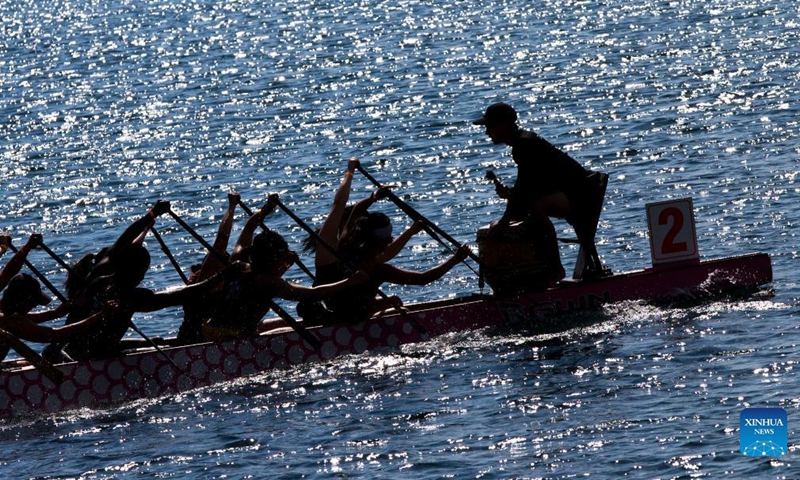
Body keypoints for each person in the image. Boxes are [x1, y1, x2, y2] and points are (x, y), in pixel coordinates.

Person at [198, 195, 371, 340]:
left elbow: (250, 227)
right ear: (272, 260)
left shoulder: (239, 264)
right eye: (281, 259)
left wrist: (266, 208)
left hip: (210, 329)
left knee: (281, 325)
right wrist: (350, 281)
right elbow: (312, 294)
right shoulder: (268, 282)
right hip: (232, 338)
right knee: (284, 330)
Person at [473, 102, 609, 279]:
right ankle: (539, 270)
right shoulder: (522, 144)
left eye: (489, 126)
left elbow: (525, 189)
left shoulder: (524, 144)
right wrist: (511, 196)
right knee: (528, 206)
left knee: (534, 207)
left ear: (503, 124)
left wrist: (503, 222)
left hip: (581, 196)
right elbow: (530, 186)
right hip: (575, 194)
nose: (486, 132)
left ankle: (553, 269)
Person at [53, 201, 173, 361]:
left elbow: (131, 245)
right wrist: (151, 214)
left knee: (155, 341)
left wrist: (146, 229)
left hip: (93, 345)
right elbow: (126, 238)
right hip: (76, 353)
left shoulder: (104, 275)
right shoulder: (97, 281)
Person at [304, 211, 470, 325]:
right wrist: (455, 260)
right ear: (379, 242)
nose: (391, 241)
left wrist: (371, 198)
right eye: (389, 238)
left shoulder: (346, 248)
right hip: (349, 319)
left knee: (394, 301)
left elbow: (354, 212)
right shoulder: (377, 269)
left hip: (333, 310)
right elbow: (423, 279)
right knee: (400, 310)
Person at [0, 273, 119, 362]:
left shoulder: (6, 312)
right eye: (33, 303)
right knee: (51, 351)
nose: (35, 306)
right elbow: (55, 335)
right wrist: (99, 316)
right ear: (23, 301)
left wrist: (57, 312)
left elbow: (31, 319)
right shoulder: (10, 322)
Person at [177, 191, 241, 344]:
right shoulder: (203, 283)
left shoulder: (227, 285)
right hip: (193, 344)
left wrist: (263, 213)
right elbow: (220, 243)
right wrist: (231, 207)